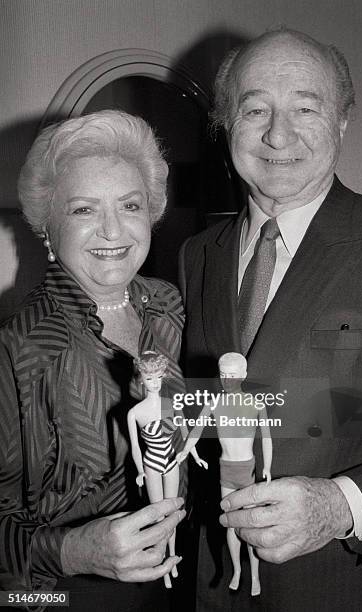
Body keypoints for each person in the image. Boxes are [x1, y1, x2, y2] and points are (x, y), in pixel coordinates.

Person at [179, 27, 362, 611]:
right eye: (255, 108)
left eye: (306, 108)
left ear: (342, 121)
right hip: (214, 585)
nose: (277, 134)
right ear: (225, 123)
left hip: (348, 586)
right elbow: (216, 408)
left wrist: (342, 505)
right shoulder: (195, 254)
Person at [0, 110, 187, 611]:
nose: (112, 229)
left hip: (190, 588)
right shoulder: (18, 348)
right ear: (47, 226)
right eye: (84, 209)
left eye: (130, 204)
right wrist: (74, 552)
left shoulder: (171, 307)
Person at [177, 352, 272, 597]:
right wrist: (185, 451)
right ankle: (237, 571)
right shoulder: (214, 403)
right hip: (225, 470)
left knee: (249, 525)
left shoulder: (256, 403)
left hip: (247, 469)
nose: (227, 381)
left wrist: (267, 467)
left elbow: (267, 438)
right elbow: (196, 431)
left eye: (233, 375)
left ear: (243, 375)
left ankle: (255, 576)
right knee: (231, 523)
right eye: (223, 375)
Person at [127, 350, 207, 589]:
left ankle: (172, 558)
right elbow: (135, 447)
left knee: (172, 512)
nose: (154, 382)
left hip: (171, 461)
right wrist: (140, 471)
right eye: (149, 378)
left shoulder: (171, 404)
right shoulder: (135, 413)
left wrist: (195, 454)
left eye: (158, 377)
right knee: (158, 515)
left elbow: (184, 434)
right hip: (151, 464)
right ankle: (161, 563)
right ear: (141, 379)